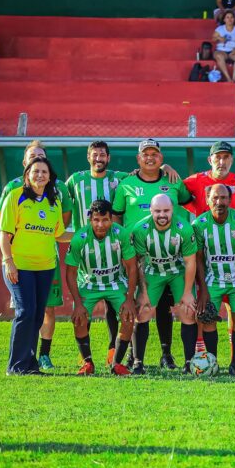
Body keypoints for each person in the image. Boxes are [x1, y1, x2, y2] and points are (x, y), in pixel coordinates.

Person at [112, 139, 194, 369]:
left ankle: (166, 355)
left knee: (167, 306)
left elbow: (190, 203)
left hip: (171, 257)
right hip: (135, 257)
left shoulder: (173, 181)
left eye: (154, 154)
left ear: (161, 157)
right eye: (145, 154)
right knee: (137, 306)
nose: (150, 158)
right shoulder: (126, 183)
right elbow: (117, 216)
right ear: (138, 159)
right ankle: (130, 356)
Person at [0, 141, 72, 372]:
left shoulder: (54, 201)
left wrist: (84, 235)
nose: (40, 175)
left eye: (44, 172)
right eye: (35, 171)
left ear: (50, 177)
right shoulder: (16, 196)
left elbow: (58, 234)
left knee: (38, 314)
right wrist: (9, 262)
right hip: (20, 265)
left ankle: (30, 363)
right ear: (27, 174)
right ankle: (16, 365)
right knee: (25, 311)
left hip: (46, 266)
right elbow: (4, 232)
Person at [66, 141, 132, 364]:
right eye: (94, 155)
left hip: (113, 246)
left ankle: (114, 350)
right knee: (84, 309)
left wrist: (165, 170)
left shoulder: (118, 178)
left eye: (102, 155)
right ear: (88, 157)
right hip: (86, 254)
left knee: (116, 307)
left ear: (108, 158)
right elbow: (60, 197)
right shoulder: (76, 180)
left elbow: (142, 174)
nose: (98, 159)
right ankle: (87, 360)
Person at [67, 199, 140, 376]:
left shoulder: (120, 234)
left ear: (111, 219)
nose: (101, 224)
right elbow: (70, 273)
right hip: (89, 284)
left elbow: (132, 267)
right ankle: (88, 363)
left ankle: (117, 364)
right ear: (90, 219)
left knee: (129, 316)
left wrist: (130, 299)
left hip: (115, 282)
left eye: (105, 220)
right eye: (96, 220)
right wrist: (78, 303)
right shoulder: (80, 238)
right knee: (79, 318)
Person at [129, 194, 198, 375]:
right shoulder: (141, 229)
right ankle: (138, 362)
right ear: (150, 210)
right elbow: (139, 263)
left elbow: (191, 262)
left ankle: (189, 362)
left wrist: (188, 292)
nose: (162, 215)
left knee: (188, 310)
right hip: (153, 272)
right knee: (142, 310)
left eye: (166, 210)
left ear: (172, 210)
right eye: (157, 210)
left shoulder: (184, 228)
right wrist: (142, 292)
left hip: (177, 272)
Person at [192, 184, 235, 372]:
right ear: (207, 200)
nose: (219, 202)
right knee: (208, 318)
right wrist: (202, 289)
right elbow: (198, 260)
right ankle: (213, 362)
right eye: (215, 198)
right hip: (212, 281)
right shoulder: (199, 224)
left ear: (230, 200)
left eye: (223, 198)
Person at [212, 11, 235, 83]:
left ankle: (234, 78)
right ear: (224, 20)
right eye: (227, 17)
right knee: (219, 56)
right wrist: (219, 38)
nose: (230, 19)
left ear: (234, 19)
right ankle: (228, 78)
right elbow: (213, 39)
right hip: (221, 51)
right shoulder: (220, 29)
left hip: (233, 51)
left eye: (231, 17)